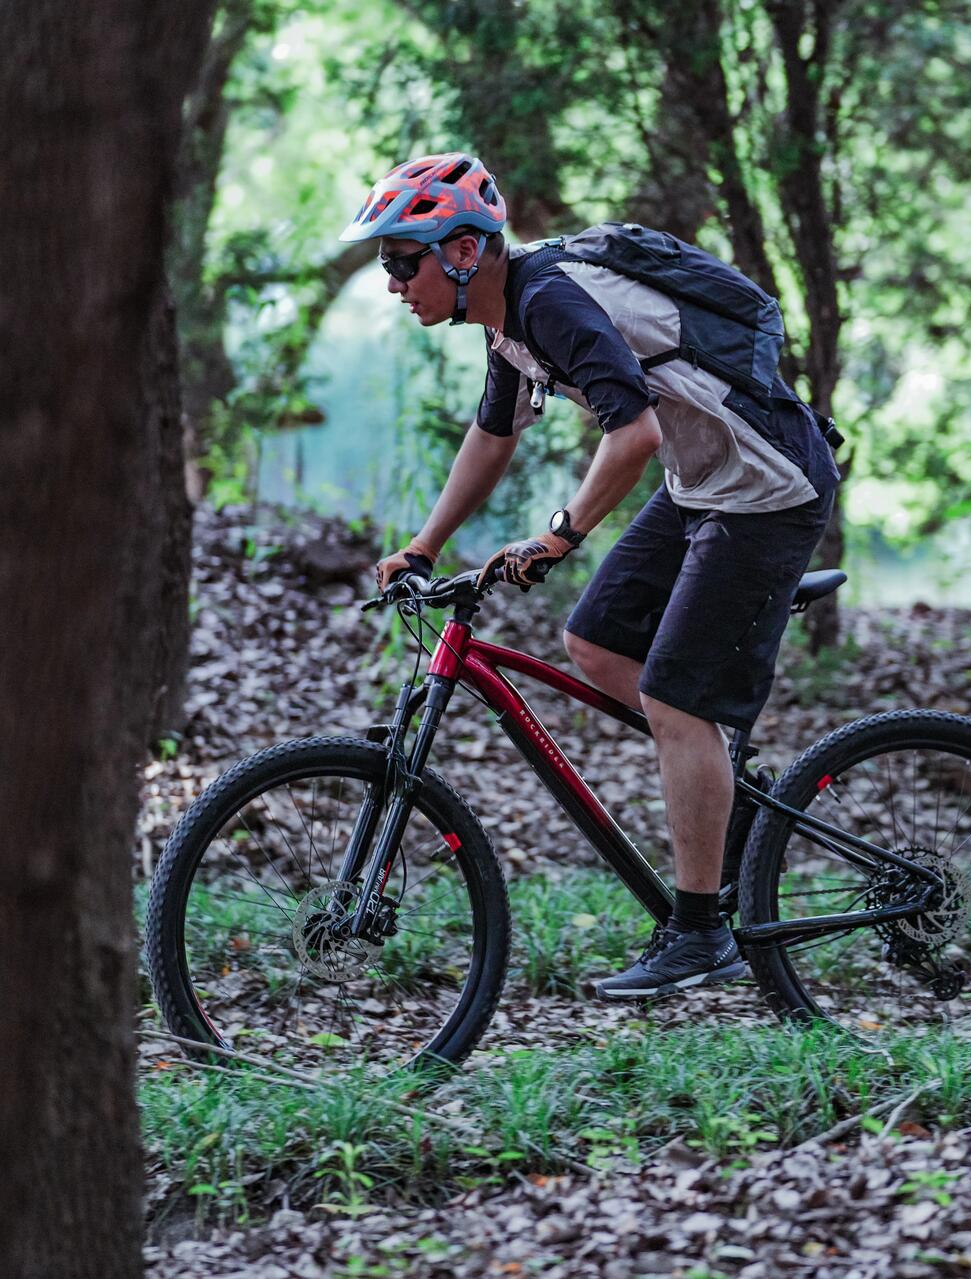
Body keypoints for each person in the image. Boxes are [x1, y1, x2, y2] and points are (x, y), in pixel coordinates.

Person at [344, 152, 839, 999]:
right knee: (596, 642)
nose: (392, 282)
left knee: (677, 699)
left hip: (765, 483)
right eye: (386, 263)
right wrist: (425, 545)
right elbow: (493, 435)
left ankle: (699, 931)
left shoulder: (549, 301)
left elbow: (635, 433)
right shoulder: (510, 321)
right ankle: (731, 801)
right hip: (704, 478)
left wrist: (562, 534)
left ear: (464, 253)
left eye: (401, 259)